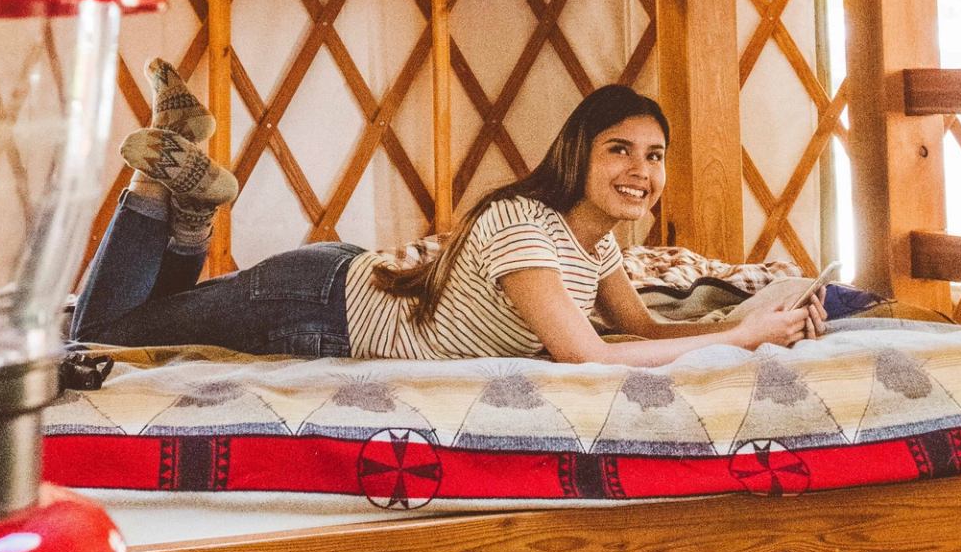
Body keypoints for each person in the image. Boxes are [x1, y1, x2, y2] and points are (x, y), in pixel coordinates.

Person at [68, 67, 822, 368]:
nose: (641, 171)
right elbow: (587, 358)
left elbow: (647, 332)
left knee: (152, 314)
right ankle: (153, 175)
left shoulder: (595, 248)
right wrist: (745, 336)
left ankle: (191, 201)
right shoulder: (530, 227)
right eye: (620, 150)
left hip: (339, 280)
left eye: (655, 156)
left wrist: (752, 317)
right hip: (318, 304)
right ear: (577, 157)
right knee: (96, 336)